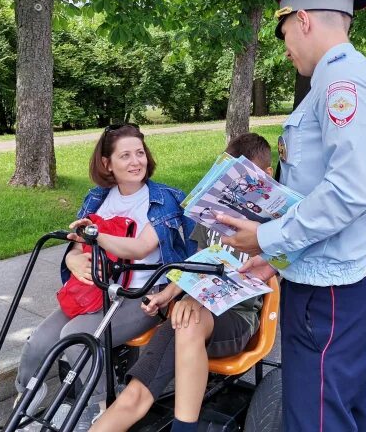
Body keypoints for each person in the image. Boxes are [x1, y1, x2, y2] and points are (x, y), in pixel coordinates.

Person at [219, 0, 366, 432]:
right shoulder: (340, 77)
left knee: (316, 421)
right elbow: (319, 189)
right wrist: (275, 258)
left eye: (283, 36)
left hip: (326, 298)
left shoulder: (341, 81)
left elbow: (348, 191)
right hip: (330, 288)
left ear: (302, 20)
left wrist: (265, 237)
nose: (285, 49)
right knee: (340, 413)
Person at [14, 124, 195, 431]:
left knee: (75, 336)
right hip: (96, 291)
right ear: (107, 163)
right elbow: (76, 247)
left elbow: (139, 247)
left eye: (139, 153)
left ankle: (104, 409)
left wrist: (95, 236)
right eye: (125, 155)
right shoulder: (98, 198)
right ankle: (26, 403)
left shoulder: (163, 199)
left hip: (142, 297)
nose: (136, 161)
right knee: (39, 342)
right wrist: (74, 260)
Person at [91, 132, 274, 432]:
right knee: (134, 395)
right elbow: (199, 261)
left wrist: (192, 297)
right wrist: (173, 292)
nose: (238, 191)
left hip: (236, 316)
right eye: (230, 182)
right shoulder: (216, 211)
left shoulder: (276, 224)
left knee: (187, 320)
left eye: (248, 182)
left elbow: (263, 274)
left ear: (266, 177)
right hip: (190, 312)